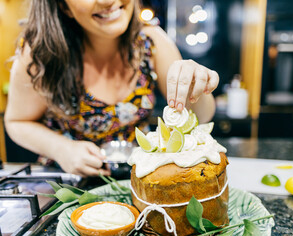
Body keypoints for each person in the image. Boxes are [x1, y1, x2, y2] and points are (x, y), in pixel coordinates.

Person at [4, 0, 219, 177]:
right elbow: (17, 122)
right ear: (63, 6)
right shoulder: (41, 53)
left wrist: (197, 86)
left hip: (140, 181)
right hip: (67, 186)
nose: (107, 1)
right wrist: (61, 149)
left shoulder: (152, 42)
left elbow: (202, 117)